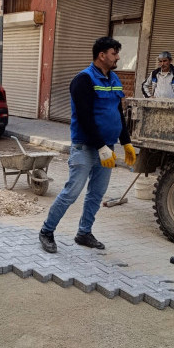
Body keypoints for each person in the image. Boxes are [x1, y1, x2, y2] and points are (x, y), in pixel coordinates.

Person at [38, 37, 136, 254]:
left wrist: (126, 142)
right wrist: (101, 147)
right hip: (85, 147)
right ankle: (46, 231)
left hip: (107, 148)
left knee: (96, 194)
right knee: (71, 192)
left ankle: (84, 232)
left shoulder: (113, 79)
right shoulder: (83, 80)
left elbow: (117, 113)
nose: (118, 57)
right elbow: (84, 117)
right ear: (102, 55)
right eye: (114, 53)